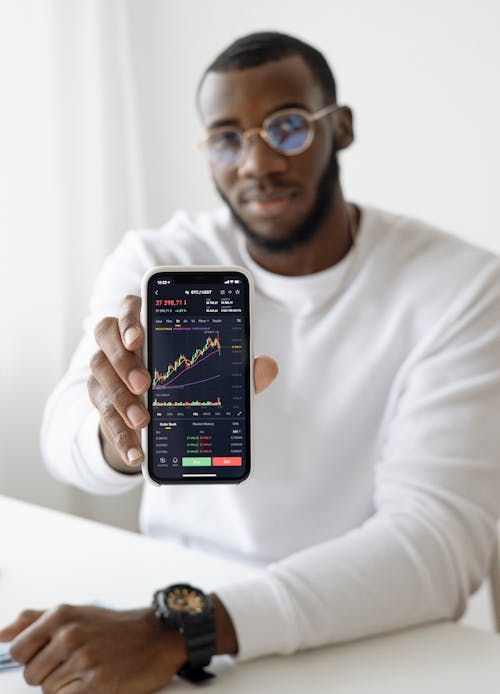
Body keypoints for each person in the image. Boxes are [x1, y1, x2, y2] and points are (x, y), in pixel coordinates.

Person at [2, 29, 500, 693]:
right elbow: (62, 437)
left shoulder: (461, 287)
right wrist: (114, 434)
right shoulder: (159, 261)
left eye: (287, 127)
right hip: (161, 597)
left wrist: (181, 631)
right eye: (227, 138)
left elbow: (436, 545)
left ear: (341, 128)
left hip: (363, 626)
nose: (257, 163)